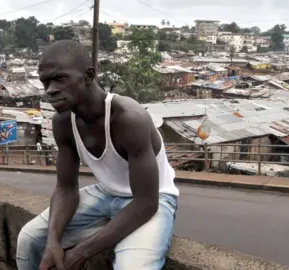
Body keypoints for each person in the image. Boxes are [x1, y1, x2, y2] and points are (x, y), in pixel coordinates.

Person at [16, 40, 179, 270]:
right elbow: (65, 188)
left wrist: (82, 252)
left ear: (89, 76)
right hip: (105, 193)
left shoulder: (128, 118)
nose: (50, 89)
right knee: (30, 240)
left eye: (60, 78)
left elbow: (146, 203)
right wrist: (53, 241)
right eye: (46, 82)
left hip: (153, 197)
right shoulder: (63, 122)